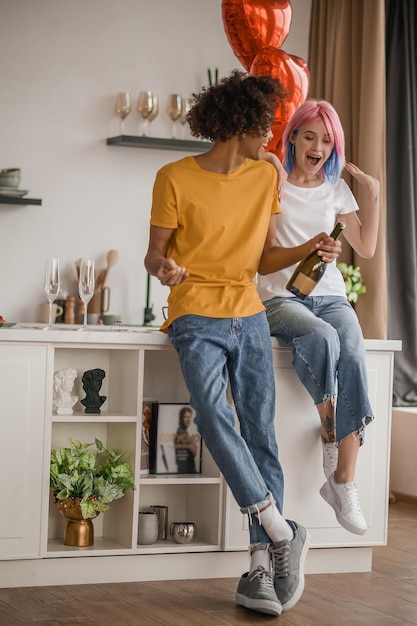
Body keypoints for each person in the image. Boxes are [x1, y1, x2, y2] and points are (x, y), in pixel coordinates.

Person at [144, 70, 340, 617]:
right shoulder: (173, 177)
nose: (273, 138)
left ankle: (259, 567)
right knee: (212, 416)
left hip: (250, 313)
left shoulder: (263, 179)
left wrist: (309, 245)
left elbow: (261, 259)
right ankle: (281, 527)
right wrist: (165, 268)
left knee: (260, 432)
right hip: (194, 316)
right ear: (244, 124)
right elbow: (152, 254)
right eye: (267, 127)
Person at [257, 99, 380, 536]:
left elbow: (364, 247)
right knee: (322, 336)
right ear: (292, 136)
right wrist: (268, 157)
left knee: (351, 344)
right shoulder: (273, 181)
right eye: (309, 135)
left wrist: (374, 193)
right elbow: (263, 260)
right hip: (278, 299)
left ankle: (343, 481)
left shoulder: (334, 189)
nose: (319, 146)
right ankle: (330, 426)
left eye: (327, 139)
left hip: (329, 296)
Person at [174, 406, 198, 473]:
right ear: (181, 418)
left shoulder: (183, 432)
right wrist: (193, 444)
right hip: (186, 471)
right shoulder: (182, 432)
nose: (188, 420)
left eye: (189, 417)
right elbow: (194, 451)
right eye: (185, 417)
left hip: (186, 470)